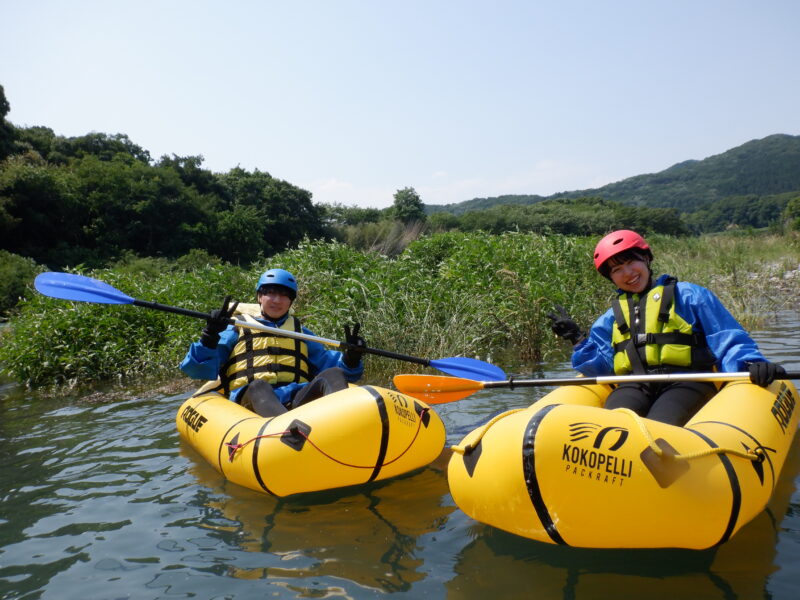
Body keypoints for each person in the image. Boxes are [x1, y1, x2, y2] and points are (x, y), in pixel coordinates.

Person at [547, 229, 787, 426]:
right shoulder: (609, 318)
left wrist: (750, 364)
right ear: (611, 278)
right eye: (617, 270)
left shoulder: (690, 295)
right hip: (635, 385)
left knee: (659, 426)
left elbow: (726, 338)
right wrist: (578, 339)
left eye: (631, 262)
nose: (628, 273)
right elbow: (603, 369)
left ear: (646, 259)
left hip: (687, 381)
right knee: (614, 428)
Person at [180, 268, 366, 417]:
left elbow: (337, 367)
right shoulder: (236, 328)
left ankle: (342, 425)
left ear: (291, 301)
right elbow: (197, 370)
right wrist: (210, 335)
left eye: (284, 295)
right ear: (260, 297)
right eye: (271, 293)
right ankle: (285, 435)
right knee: (259, 386)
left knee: (333, 374)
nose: (277, 300)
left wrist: (351, 357)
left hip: (296, 397)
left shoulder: (300, 332)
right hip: (251, 400)